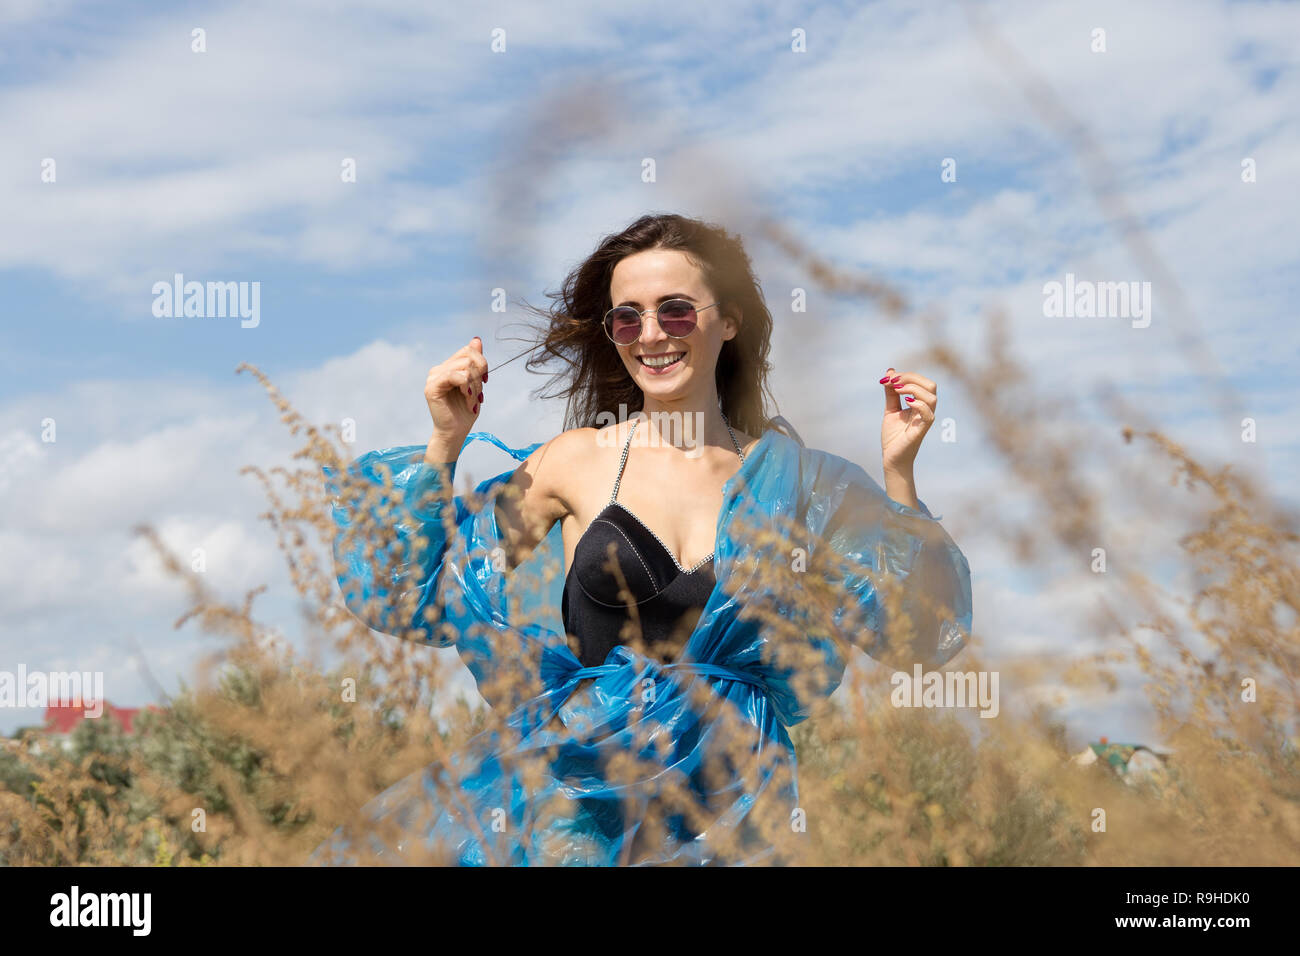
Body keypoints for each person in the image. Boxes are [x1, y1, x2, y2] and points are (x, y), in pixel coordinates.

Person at [311, 213, 972, 865]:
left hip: (733, 815)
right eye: (628, 318)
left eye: (676, 311)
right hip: (584, 814)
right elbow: (415, 594)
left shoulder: (799, 482)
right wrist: (444, 443)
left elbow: (914, 632)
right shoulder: (573, 462)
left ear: (729, 321)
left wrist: (898, 475)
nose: (650, 334)